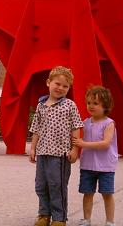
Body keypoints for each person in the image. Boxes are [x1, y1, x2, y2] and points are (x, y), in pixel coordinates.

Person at [29, 66, 84, 226]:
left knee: (57, 186)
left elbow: (76, 127)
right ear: (48, 82)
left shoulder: (69, 105)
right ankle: (44, 214)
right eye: (57, 84)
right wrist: (33, 148)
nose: (60, 88)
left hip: (60, 155)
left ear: (69, 88)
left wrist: (75, 149)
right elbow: (36, 129)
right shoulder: (41, 105)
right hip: (42, 153)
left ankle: (59, 218)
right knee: (41, 185)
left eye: (65, 86)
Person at [72, 85, 118, 226]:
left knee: (107, 194)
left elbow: (105, 144)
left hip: (105, 166)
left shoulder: (109, 123)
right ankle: (86, 219)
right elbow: (75, 136)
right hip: (87, 165)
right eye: (89, 103)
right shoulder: (85, 122)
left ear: (105, 105)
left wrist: (83, 144)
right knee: (87, 193)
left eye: (95, 103)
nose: (91, 106)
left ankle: (110, 221)